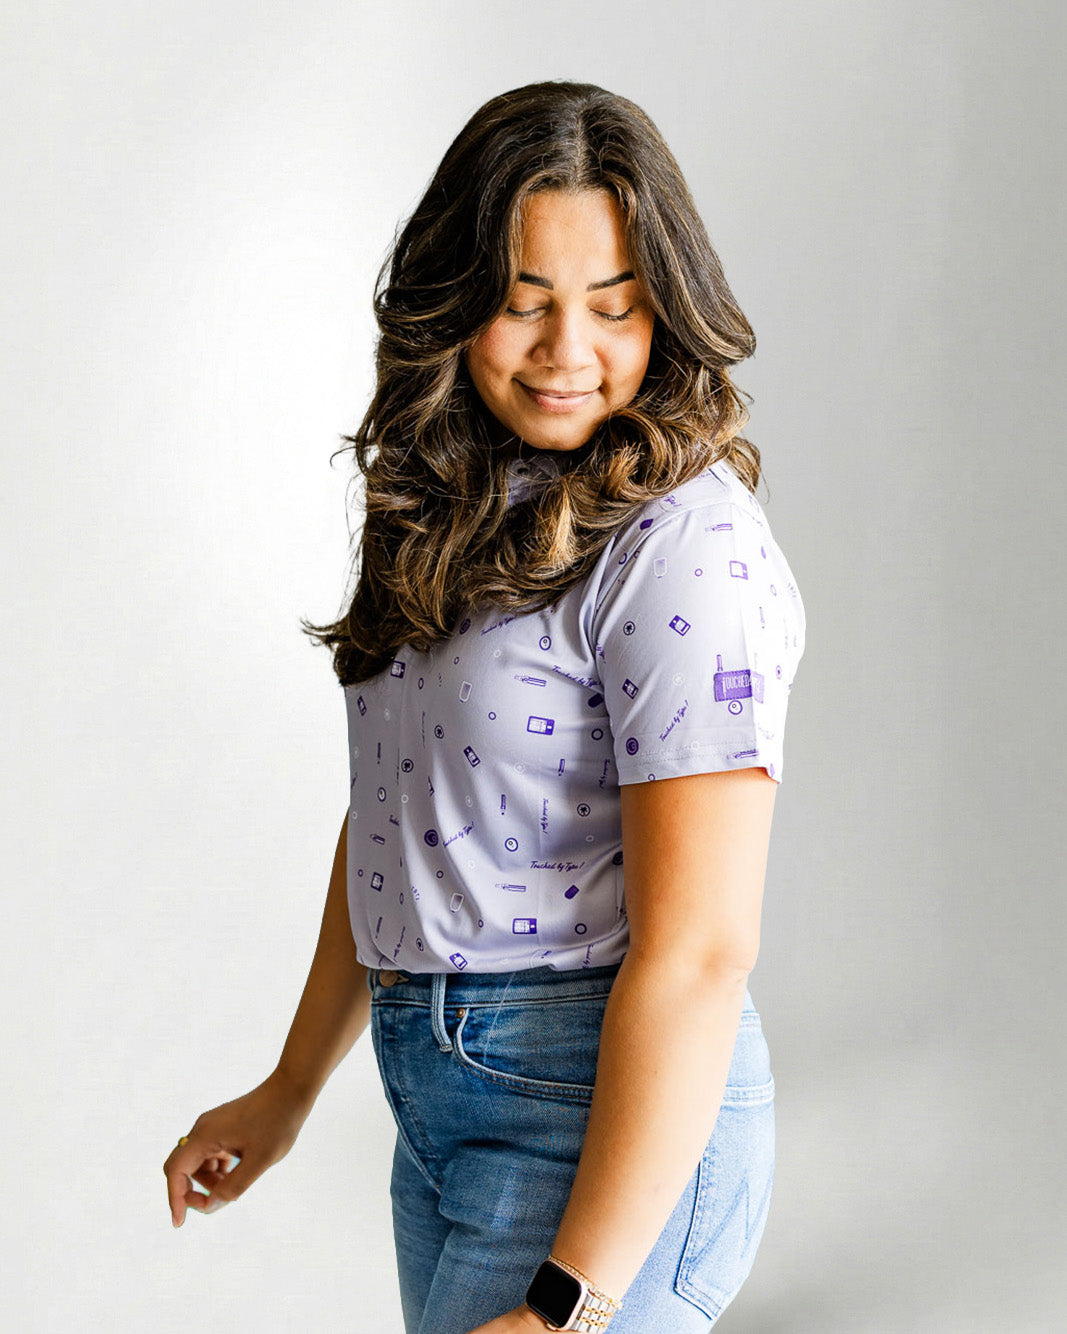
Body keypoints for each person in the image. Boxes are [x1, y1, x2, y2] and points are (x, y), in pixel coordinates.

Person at [163, 80, 806, 1333]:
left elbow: (700, 951)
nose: (570, 350)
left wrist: (570, 1302)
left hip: (602, 1111)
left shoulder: (686, 546)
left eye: (614, 306)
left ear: (664, 311)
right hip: (441, 1105)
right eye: (522, 303)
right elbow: (399, 827)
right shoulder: (454, 507)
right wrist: (290, 1089)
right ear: (450, 303)